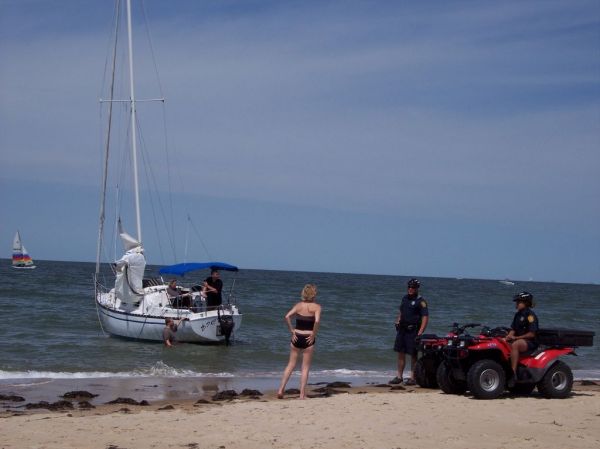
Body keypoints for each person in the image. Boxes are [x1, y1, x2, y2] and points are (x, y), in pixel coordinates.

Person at [277, 284, 322, 400]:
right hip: (308, 338)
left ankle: (281, 389)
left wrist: (292, 330)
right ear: (313, 294)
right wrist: (313, 334)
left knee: (290, 365)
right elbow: (316, 321)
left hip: (296, 337)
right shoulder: (317, 307)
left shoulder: (298, 305)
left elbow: (287, 316)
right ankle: (302, 394)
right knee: (305, 367)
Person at [391, 278, 429, 385]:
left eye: (413, 287)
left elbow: (425, 317)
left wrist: (420, 332)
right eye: (409, 287)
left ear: (417, 289)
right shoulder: (405, 298)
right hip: (402, 329)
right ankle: (399, 377)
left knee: (413, 354)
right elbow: (401, 311)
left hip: (413, 330)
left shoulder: (421, 302)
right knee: (400, 353)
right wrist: (398, 320)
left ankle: (413, 378)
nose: (410, 289)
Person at [505, 291, 539, 382]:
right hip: (520, 340)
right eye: (517, 302)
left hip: (530, 342)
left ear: (526, 303)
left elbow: (532, 334)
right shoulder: (518, 314)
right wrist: (508, 337)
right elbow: (513, 329)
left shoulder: (530, 316)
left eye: (519, 302)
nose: (516, 304)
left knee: (515, 344)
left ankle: (513, 373)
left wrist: (516, 338)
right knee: (501, 342)